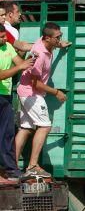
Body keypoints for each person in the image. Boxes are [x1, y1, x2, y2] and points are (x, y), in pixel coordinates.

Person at [15, 22, 67, 177]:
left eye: (60, 36)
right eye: (57, 37)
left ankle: (11, 165)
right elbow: (35, 83)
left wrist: (59, 45)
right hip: (32, 93)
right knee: (44, 127)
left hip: (25, 92)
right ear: (47, 38)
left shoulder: (43, 44)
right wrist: (56, 92)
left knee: (25, 129)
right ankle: (32, 166)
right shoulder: (40, 55)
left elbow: (46, 44)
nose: (59, 39)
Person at [0, 12, 33, 180]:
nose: (5, 39)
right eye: (1, 37)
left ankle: (11, 170)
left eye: (5, 36)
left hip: (4, 96)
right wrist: (20, 67)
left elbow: (21, 63)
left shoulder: (8, 47)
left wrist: (30, 59)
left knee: (7, 133)